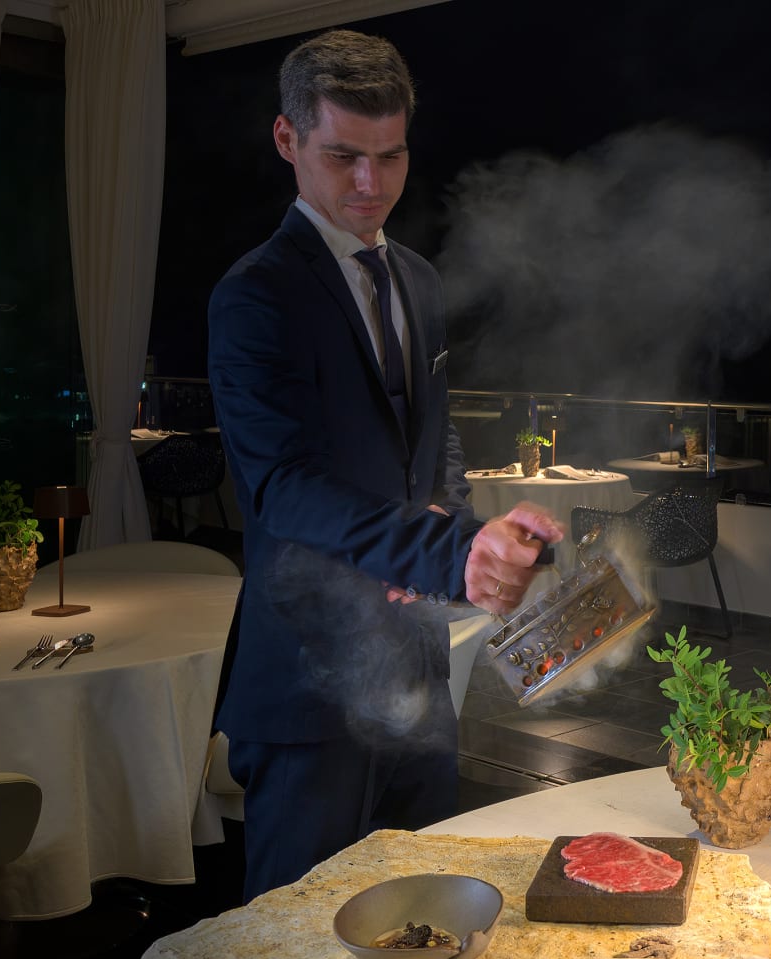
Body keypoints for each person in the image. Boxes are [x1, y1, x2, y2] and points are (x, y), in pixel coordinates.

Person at [207, 29, 562, 901]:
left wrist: (461, 527)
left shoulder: (419, 280)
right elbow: (282, 487)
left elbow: (432, 440)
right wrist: (442, 552)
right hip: (307, 681)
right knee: (294, 940)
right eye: (343, 157)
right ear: (288, 139)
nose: (371, 184)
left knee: (426, 913)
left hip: (418, 673)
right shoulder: (255, 295)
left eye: (391, 156)